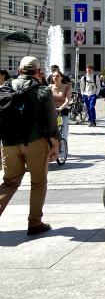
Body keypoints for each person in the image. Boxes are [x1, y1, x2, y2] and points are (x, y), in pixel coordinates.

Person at [0, 56, 60, 235]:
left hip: (9, 143)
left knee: (9, 182)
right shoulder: (43, 90)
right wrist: (55, 145)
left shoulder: (4, 88)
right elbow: (50, 121)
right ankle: (35, 222)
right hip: (35, 142)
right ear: (38, 72)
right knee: (38, 182)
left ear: (19, 70)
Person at [50, 70, 72, 142]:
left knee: (64, 128)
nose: (55, 77)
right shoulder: (50, 87)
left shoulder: (67, 87)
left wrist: (59, 109)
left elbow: (67, 101)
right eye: (53, 76)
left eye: (57, 76)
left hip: (63, 110)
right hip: (52, 110)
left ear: (61, 77)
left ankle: (63, 149)